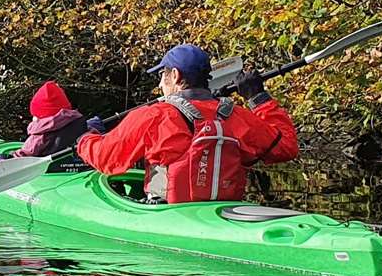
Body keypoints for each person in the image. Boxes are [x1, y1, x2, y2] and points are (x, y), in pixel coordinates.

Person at [74, 43, 298, 203]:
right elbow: (286, 147)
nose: (161, 83)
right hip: (225, 212)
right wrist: (258, 98)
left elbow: (105, 158)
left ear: (175, 75)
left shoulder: (155, 116)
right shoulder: (236, 115)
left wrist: (86, 137)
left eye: (163, 75)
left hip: (168, 214)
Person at [8, 80, 89, 167]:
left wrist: (6, 158)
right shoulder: (78, 122)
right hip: (80, 165)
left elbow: (24, 156)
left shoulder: (40, 136)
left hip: (53, 169)